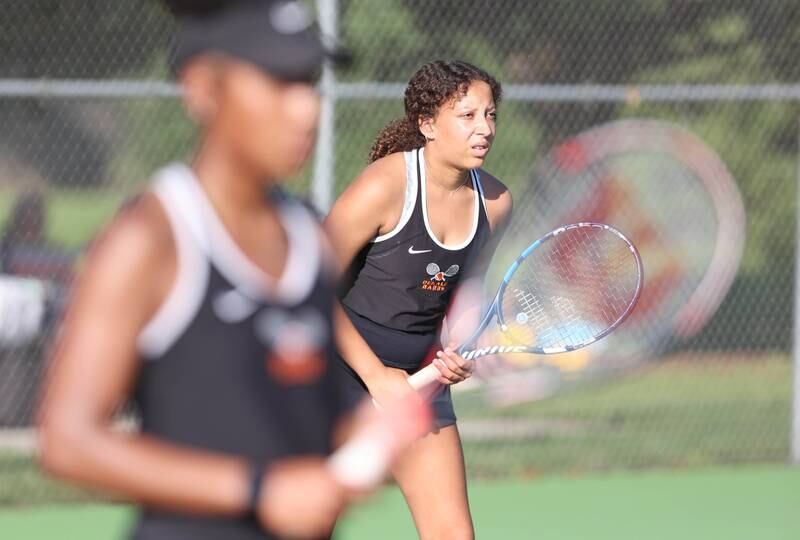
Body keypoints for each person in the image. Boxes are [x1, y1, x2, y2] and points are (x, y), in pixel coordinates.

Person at [36, 2, 428, 539]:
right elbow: (67, 440)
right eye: (277, 79)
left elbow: (307, 420)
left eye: (309, 81)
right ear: (202, 88)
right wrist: (257, 489)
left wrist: (364, 432)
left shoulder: (309, 239)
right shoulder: (150, 238)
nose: (305, 108)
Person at [324, 60, 513, 539]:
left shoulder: (496, 202)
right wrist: (375, 377)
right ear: (427, 125)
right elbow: (306, 288)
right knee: (307, 522)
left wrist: (459, 350)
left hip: (420, 382)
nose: (484, 129)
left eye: (490, 115)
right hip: (333, 373)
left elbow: (464, 296)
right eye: (466, 116)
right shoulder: (384, 187)